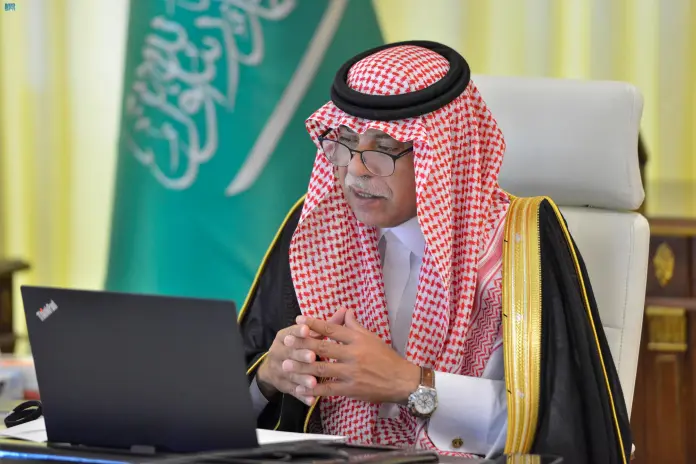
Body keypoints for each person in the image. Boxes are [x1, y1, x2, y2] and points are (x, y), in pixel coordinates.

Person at [239, 41, 632, 464]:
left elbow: (563, 423)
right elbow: (226, 406)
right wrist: (267, 378)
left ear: (444, 151)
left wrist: (410, 384)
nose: (355, 170)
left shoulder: (522, 242)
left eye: (384, 148)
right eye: (345, 142)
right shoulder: (317, 228)